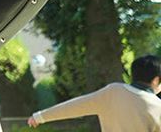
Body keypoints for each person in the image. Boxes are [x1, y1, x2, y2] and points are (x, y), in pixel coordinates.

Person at [28, 55, 161, 131]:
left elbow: (77, 105)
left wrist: (40, 116)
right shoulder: (157, 106)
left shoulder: (114, 91)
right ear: (155, 80)